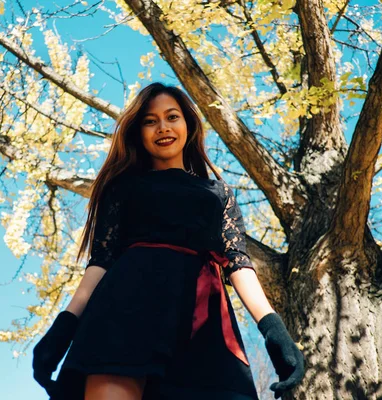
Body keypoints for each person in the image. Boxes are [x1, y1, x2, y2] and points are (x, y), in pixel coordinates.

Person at [32, 82, 305, 400]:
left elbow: (237, 262)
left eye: (172, 116)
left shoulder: (218, 194)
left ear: (188, 123)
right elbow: (101, 262)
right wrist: (63, 327)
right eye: (150, 121)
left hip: (203, 326)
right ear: (139, 132)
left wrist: (274, 331)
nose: (163, 127)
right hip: (122, 316)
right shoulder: (121, 188)